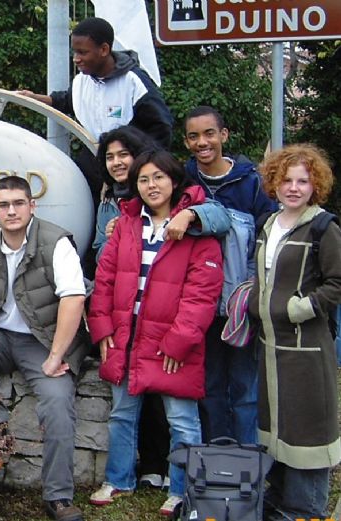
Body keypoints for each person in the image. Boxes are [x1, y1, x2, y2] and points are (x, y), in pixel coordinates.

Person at [92, 126, 230, 491]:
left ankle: (182, 489)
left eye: (158, 177)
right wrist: (103, 329)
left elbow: (202, 295)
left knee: (182, 419)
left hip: (171, 341)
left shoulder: (196, 229)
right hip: (126, 335)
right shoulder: (125, 224)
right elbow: (105, 279)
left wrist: (179, 342)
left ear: (174, 180)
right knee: (122, 415)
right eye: (143, 180)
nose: (151, 185)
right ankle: (118, 480)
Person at [0, 176, 87, 521]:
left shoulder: (55, 242)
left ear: (32, 206)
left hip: (44, 340)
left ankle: (58, 496)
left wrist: (57, 355)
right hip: (3, 337)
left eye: (18, 203)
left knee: (57, 403)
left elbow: (73, 299)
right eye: (3, 205)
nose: (11, 211)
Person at [249, 144, 341, 521]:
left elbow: (337, 282)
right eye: (286, 179)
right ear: (274, 182)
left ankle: (304, 509)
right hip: (271, 345)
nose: (294, 187)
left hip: (307, 347)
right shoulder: (269, 224)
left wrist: (298, 309)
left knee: (308, 430)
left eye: (303, 180)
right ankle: (280, 499)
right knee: (279, 426)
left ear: (315, 184)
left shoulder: (323, 227)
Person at [183, 106, 279, 444]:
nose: (202, 142)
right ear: (186, 142)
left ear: (223, 135)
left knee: (245, 386)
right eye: (193, 136)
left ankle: (247, 460)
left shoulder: (252, 183)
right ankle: (215, 460)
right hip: (200, 303)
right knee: (208, 385)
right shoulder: (184, 180)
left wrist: (255, 291)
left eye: (209, 133)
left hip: (241, 302)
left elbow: (269, 237)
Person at [20, 17, 172, 149]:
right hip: (95, 161)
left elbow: (161, 126)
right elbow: (68, 100)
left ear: (104, 49)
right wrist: (34, 98)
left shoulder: (133, 81)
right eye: (75, 52)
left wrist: (141, 165)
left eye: (83, 52)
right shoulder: (81, 80)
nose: (76, 59)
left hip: (130, 168)